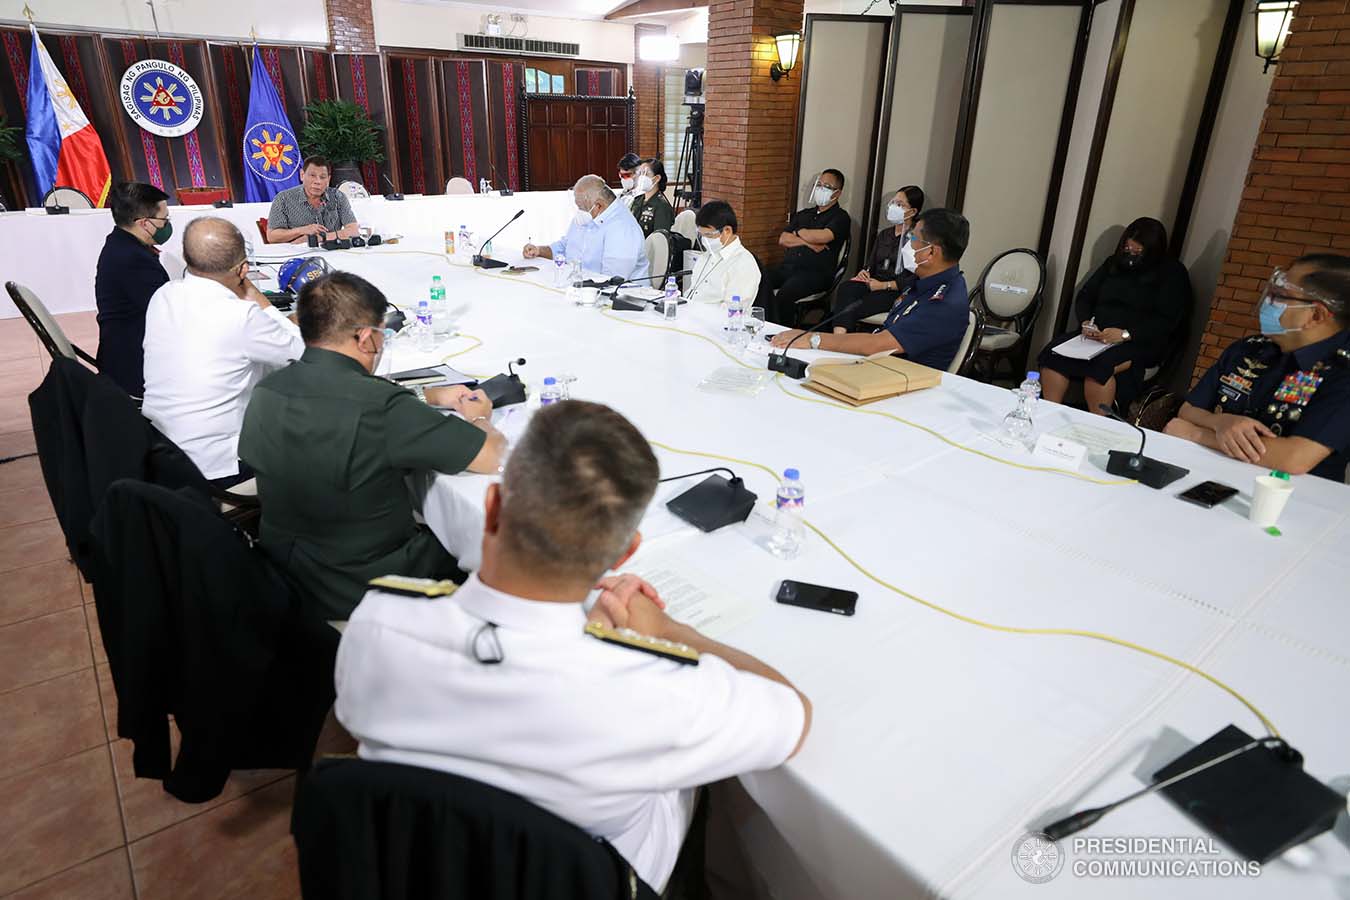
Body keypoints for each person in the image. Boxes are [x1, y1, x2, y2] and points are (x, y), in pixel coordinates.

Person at [334, 400, 810, 894]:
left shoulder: (378, 621)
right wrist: (671, 633)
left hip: (410, 869)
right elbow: (793, 716)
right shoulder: (652, 697)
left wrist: (596, 643)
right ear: (626, 552)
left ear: (492, 507)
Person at [239, 272, 507, 621]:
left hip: (285, 574)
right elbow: (490, 455)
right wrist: (480, 417)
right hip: (368, 585)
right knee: (480, 543)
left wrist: (424, 396)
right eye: (383, 334)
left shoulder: (267, 390)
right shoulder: (379, 405)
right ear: (366, 338)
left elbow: (336, 405)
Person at [141, 217, 303, 487]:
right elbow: (305, 357)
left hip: (164, 454)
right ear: (243, 270)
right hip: (219, 467)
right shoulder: (242, 315)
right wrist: (261, 301)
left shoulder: (163, 295)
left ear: (186, 257)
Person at [1164, 255, 1350, 480]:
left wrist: (1197, 434)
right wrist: (1220, 422)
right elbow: (1188, 410)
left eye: (1281, 296)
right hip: (1209, 474)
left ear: (1316, 315)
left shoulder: (1341, 373)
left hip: (1290, 499)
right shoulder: (1249, 349)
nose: (1268, 301)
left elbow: (1294, 458)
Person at [770, 208, 971, 371]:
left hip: (903, 381)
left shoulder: (944, 302)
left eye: (913, 239)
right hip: (883, 367)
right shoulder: (924, 282)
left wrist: (814, 339)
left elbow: (878, 344)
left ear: (931, 251)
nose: (907, 245)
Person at [1038, 217, 1191, 414]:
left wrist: (1125, 334)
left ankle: (1097, 422)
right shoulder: (1113, 263)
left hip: (1136, 341)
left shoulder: (1171, 272)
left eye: (1138, 251)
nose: (1131, 254)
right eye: (1127, 248)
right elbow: (1085, 296)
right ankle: (1049, 412)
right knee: (1053, 354)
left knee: (1100, 367)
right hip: (1097, 335)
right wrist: (1086, 322)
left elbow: (1166, 320)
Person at [94, 181, 172, 397]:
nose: (167, 224)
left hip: (121, 347)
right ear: (145, 223)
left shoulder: (121, 243)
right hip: (133, 365)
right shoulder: (133, 259)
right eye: (164, 219)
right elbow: (168, 314)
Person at [831, 185, 924, 334]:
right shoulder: (884, 235)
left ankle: (840, 339)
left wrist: (884, 286)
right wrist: (865, 272)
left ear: (913, 211)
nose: (894, 207)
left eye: (900, 205)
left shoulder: (916, 238)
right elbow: (871, 264)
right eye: (893, 202)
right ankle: (838, 337)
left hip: (895, 290)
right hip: (873, 282)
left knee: (853, 307)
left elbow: (914, 277)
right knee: (846, 288)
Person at [764, 168, 851, 325]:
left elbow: (824, 236)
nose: (820, 189)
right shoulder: (804, 214)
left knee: (786, 294)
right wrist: (808, 242)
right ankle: (759, 324)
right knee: (759, 279)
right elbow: (783, 239)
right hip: (788, 268)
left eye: (826, 186)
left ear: (837, 193)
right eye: (819, 184)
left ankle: (781, 333)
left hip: (815, 273)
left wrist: (799, 233)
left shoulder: (841, 217)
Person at [521, 175, 650, 281]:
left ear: (598, 205)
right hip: (582, 285)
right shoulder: (587, 215)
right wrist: (539, 251)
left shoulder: (622, 229)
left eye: (581, 207)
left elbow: (612, 280)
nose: (579, 211)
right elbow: (565, 247)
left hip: (621, 298)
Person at [265, 156, 360, 244]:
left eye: (322, 177)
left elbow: (353, 231)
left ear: (328, 179)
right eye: (312, 175)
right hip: (296, 254)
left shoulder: (338, 197)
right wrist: (302, 230)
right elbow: (272, 236)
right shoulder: (283, 198)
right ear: (302, 175)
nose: (317, 181)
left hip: (333, 252)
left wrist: (320, 238)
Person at [686, 200, 762, 307]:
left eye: (709, 235)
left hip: (714, 321)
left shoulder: (744, 263)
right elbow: (693, 292)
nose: (705, 240)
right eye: (701, 235)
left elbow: (731, 310)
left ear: (727, 230)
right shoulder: (706, 256)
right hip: (689, 315)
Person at [629, 158, 674, 238]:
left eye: (645, 174)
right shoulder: (637, 200)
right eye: (640, 173)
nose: (641, 177)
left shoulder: (662, 206)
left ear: (656, 178)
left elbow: (660, 239)